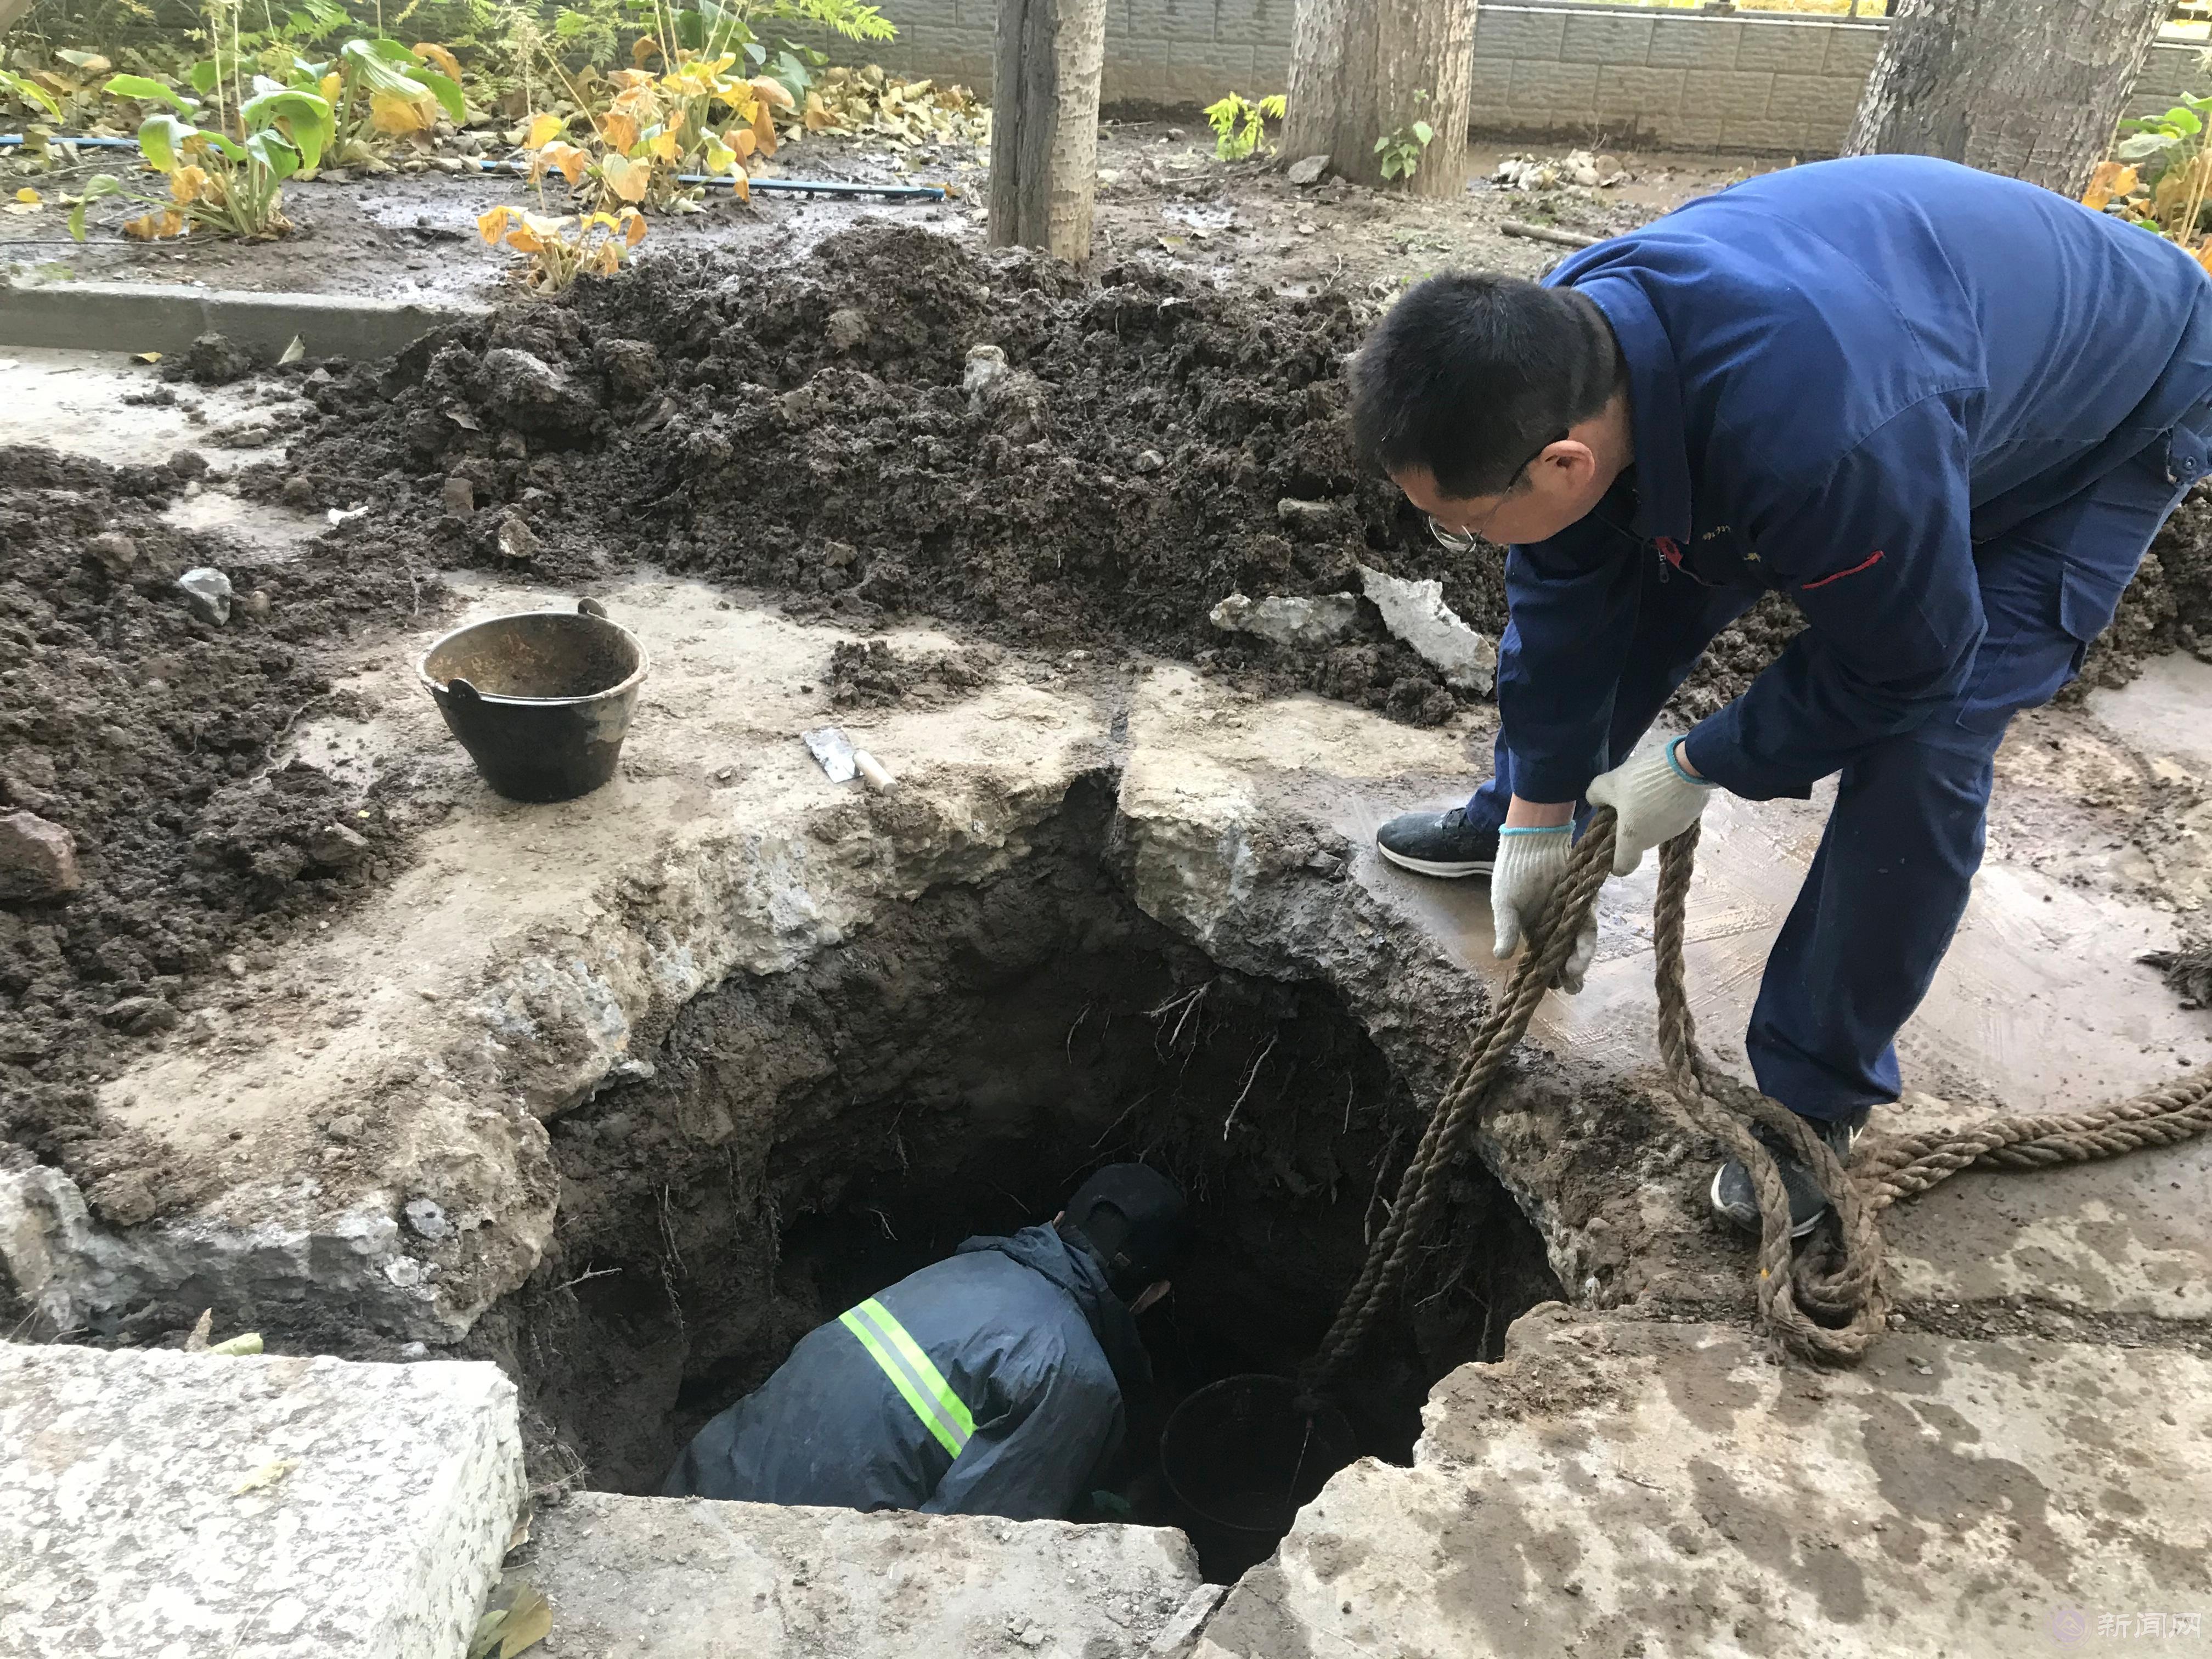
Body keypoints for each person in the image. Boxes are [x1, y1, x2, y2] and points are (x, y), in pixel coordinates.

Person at [1354, 155, 2212, 1239]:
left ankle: (1813, 1097)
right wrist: (1537, 809)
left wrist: (1696, 763)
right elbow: (1568, 594)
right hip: (1928, 363)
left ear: (1566, 460)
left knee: (1927, 735)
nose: (1469, 541)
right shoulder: (1561, 346)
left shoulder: (1819, 442)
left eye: (1470, 523)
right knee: (1645, 565)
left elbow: (1908, 661)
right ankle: (1504, 827)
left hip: (2116, 400)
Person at [664, 1163, 1186, 1520]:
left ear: (1057, 1222)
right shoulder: (1075, 1376)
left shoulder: (961, 1269)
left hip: (687, 1499)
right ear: (1154, 1294)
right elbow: (971, 1555)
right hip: (783, 1577)